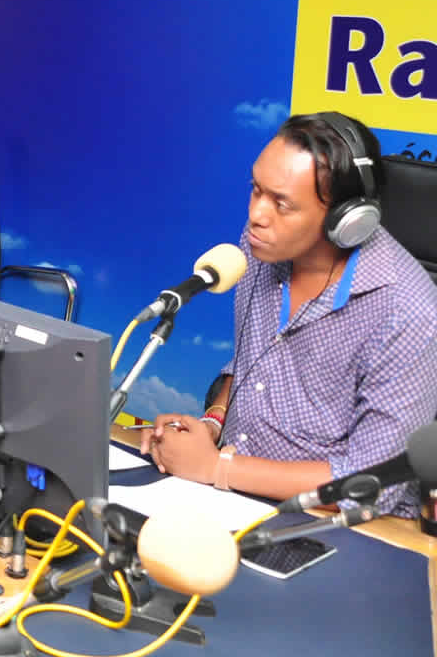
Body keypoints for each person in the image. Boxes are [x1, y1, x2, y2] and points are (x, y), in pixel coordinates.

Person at [140, 111, 437, 517]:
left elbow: (373, 486)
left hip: (334, 524)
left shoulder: (409, 312)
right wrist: (211, 425)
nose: (257, 215)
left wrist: (216, 468)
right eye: (256, 190)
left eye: (281, 203)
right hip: (229, 494)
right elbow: (253, 363)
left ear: (347, 220)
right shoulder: (260, 248)